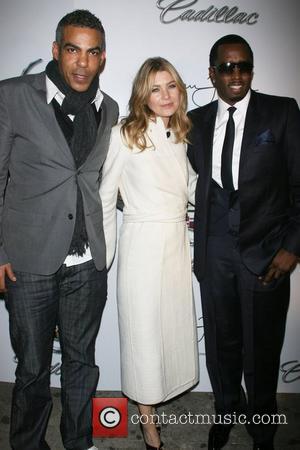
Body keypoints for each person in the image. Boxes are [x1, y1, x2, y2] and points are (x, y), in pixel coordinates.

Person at [0, 9, 118, 450]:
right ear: (56, 51)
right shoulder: (13, 95)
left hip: (87, 263)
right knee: (32, 368)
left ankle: (79, 439)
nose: (82, 63)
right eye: (73, 50)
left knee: (81, 362)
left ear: (103, 58)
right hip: (28, 261)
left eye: (92, 53)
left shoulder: (109, 109)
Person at [187, 34, 300, 450]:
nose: (237, 74)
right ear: (213, 73)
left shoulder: (282, 112)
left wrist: (293, 247)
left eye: (244, 66)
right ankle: (226, 412)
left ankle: (263, 428)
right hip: (214, 252)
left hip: (267, 253)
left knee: (263, 349)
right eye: (228, 67)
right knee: (221, 345)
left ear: (252, 69)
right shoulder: (194, 121)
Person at [100, 57, 199, 450]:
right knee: (142, 337)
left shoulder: (182, 135)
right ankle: (148, 426)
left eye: (171, 86)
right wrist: (103, 257)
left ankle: (157, 405)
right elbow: (107, 197)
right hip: (141, 247)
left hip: (174, 246)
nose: (165, 95)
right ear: (143, 94)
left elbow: (191, 189)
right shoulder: (124, 134)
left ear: (180, 90)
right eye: (155, 88)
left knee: (169, 333)